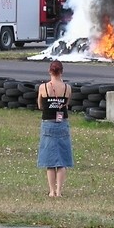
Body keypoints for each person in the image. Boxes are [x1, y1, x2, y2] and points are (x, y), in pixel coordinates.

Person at [36, 59, 73, 197]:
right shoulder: (67, 88)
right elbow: (67, 103)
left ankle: (51, 191)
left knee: (50, 161)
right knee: (62, 159)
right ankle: (59, 191)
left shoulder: (43, 87)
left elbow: (40, 105)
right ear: (62, 72)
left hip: (48, 123)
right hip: (62, 123)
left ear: (49, 71)